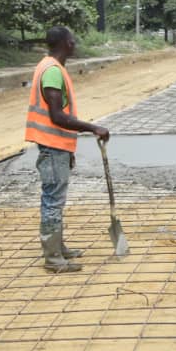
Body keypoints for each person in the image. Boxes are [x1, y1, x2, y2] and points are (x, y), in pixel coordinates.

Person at [24, 26, 111, 273]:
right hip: (51, 145)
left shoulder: (51, 66)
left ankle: (59, 248)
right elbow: (56, 115)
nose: (75, 42)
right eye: (73, 38)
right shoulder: (52, 71)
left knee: (56, 199)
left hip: (57, 145)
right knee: (52, 200)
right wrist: (93, 127)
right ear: (66, 43)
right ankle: (53, 259)